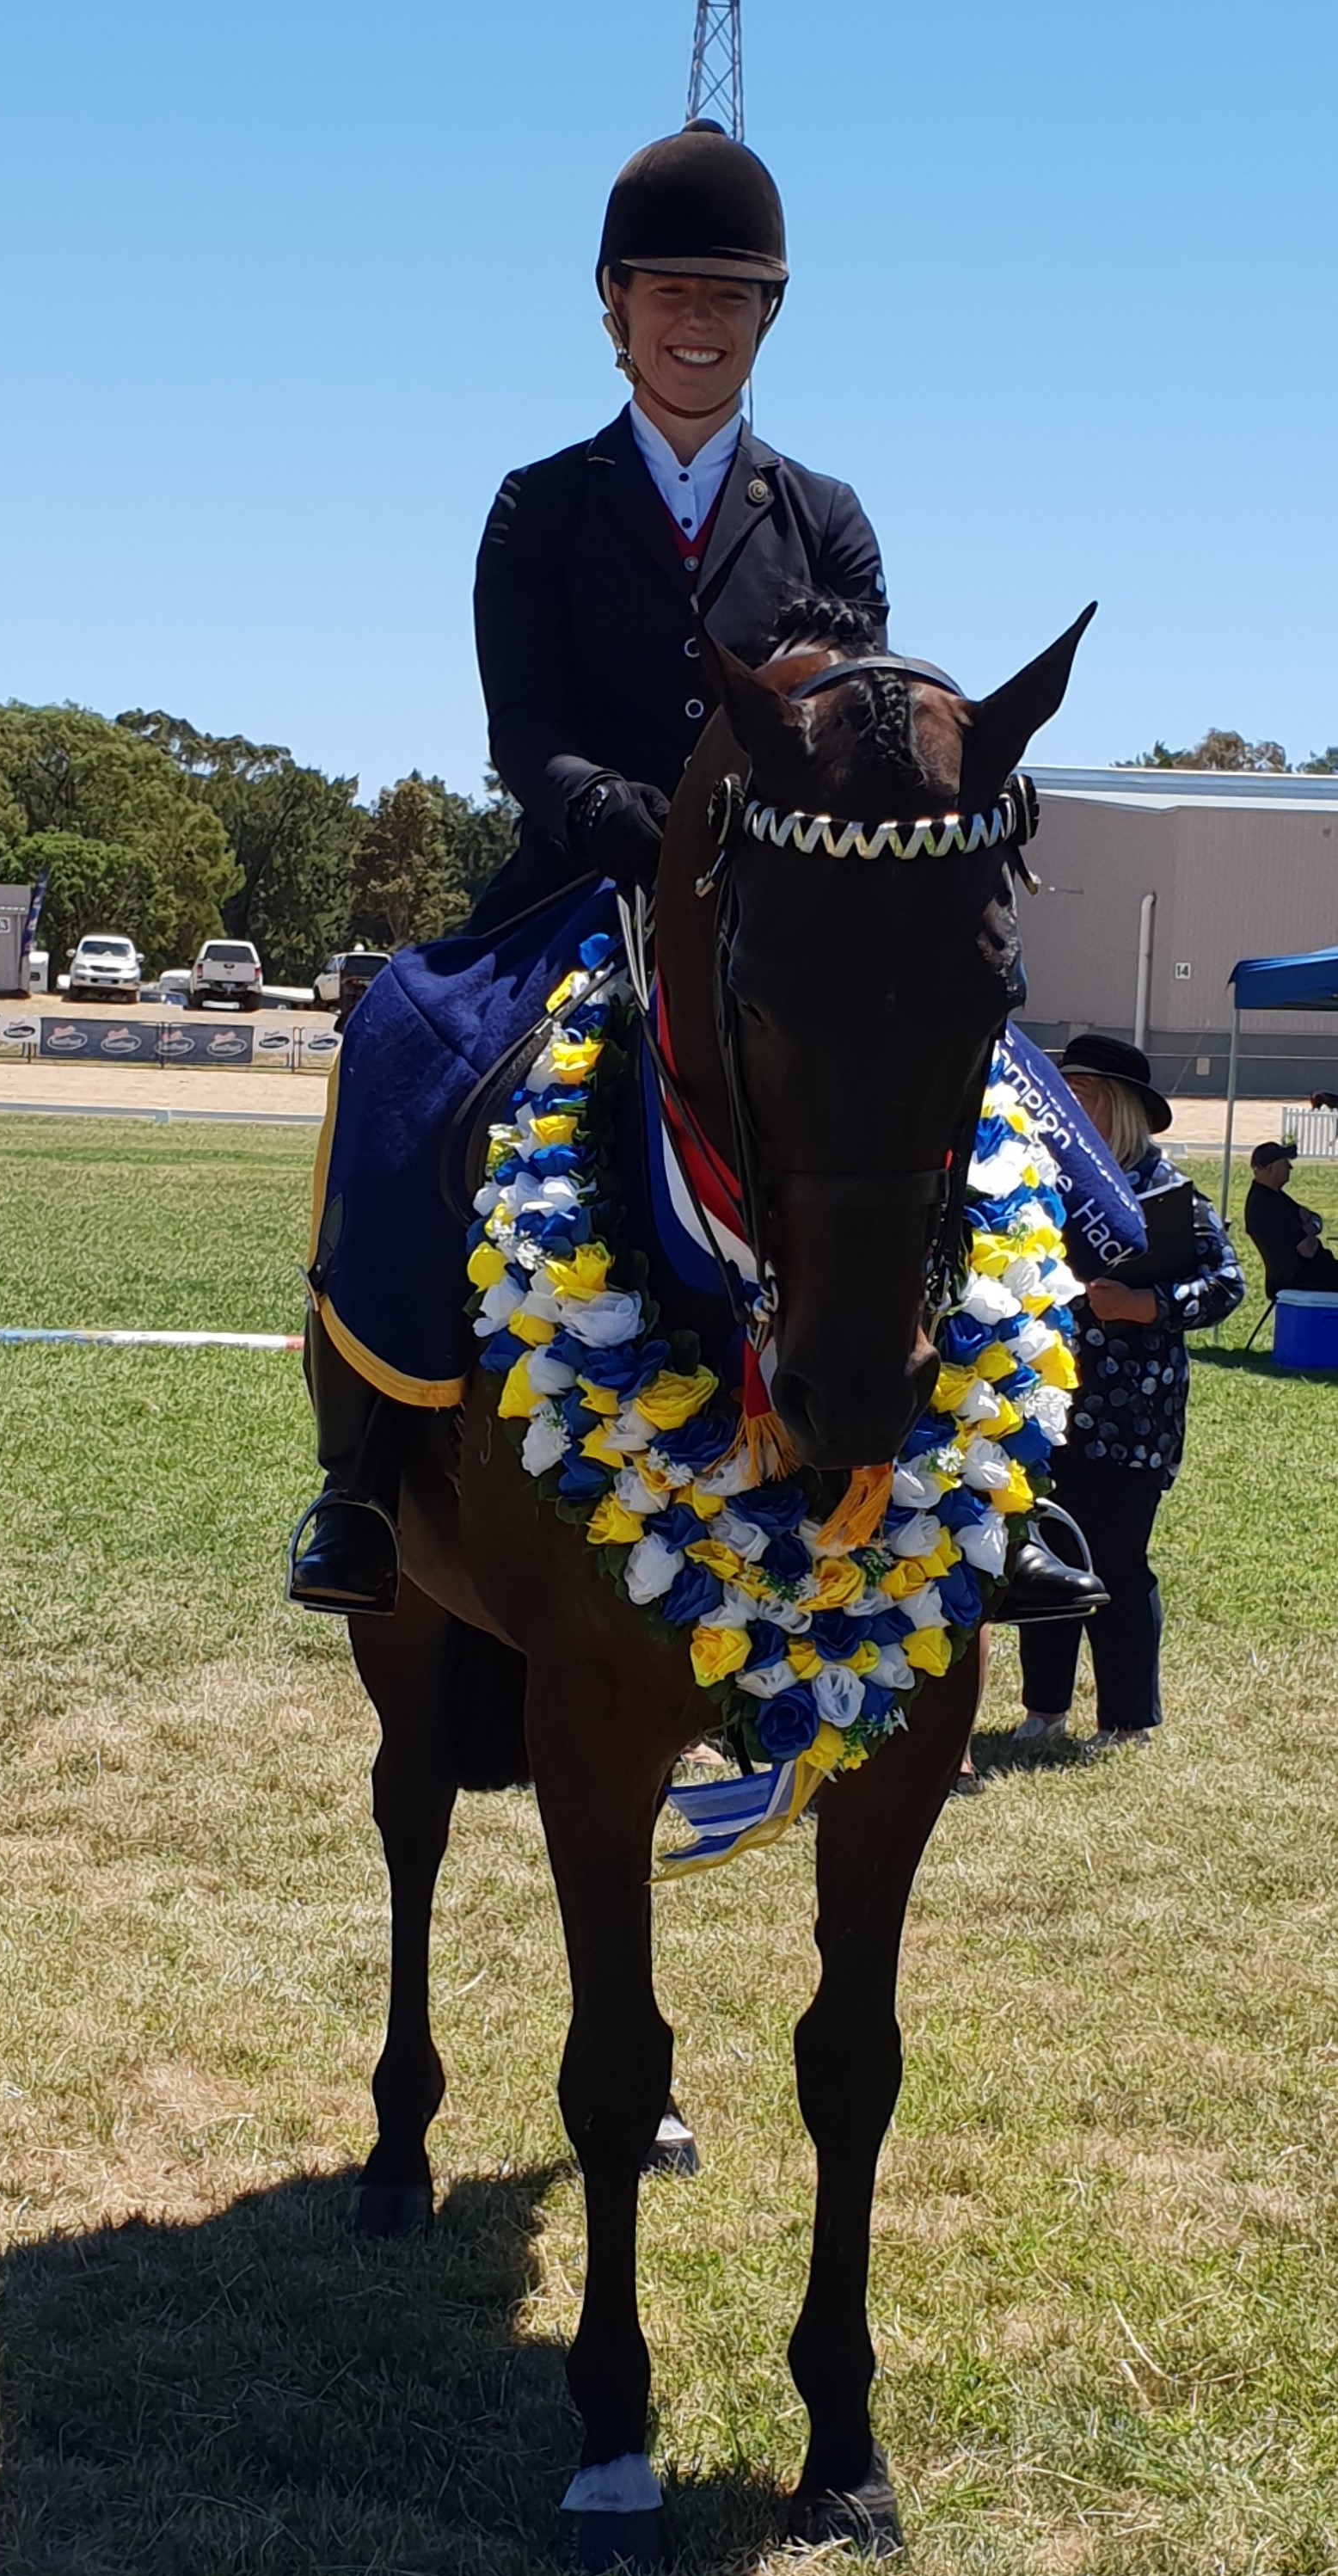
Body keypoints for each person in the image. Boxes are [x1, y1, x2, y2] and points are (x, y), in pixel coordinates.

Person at [287, 123, 1102, 1626]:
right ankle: (362, 1470)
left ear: (766, 316)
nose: (695, 319)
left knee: (969, 1073)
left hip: (779, 887)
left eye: (729, 296)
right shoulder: (539, 503)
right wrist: (608, 808)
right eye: (666, 290)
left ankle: (1018, 1478)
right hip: (575, 877)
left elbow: (852, 713)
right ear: (612, 306)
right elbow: (518, 728)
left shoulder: (826, 513)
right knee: (401, 1040)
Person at [1012, 1034, 1243, 1755]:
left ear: (1113, 1108)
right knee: (1044, 1555)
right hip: (1050, 1407)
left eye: (1076, 1098)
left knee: (1116, 1557)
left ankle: (1126, 1718)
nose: (1062, 1114)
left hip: (1130, 1411)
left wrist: (1148, 1305)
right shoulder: (1043, 1185)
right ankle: (1043, 1708)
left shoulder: (1164, 1192)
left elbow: (1225, 1284)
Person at [1244, 1140, 1338, 1293]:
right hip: (1303, 1280)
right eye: (1285, 1163)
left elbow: (1314, 1219)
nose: (1290, 1167)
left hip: (1314, 1275)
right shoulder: (1265, 1206)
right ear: (1271, 1168)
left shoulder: (1276, 1197)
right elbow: (1307, 1249)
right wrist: (1310, 1230)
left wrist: (1310, 1228)